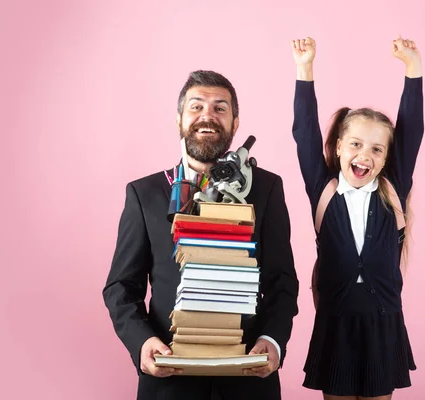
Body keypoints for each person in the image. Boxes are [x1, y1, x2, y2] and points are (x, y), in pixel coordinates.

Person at [102, 70, 299, 400]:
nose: (208, 115)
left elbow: (282, 282)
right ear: (179, 119)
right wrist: (143, 343)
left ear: (235, 124)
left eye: (220, 108)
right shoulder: (144, 193)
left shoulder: (266, 189)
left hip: (248, 377)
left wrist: (273, 341)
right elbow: (121, 287)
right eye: (196, 107)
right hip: (169, 380)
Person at [290, 36, 424, 399]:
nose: (365, 155)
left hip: (383, 323)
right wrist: (305, 70)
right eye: (356, 144)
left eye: (377, 149)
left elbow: (412, 131)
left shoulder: (392, 191)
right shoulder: (324, 190)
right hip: (337, 323)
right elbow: (304, 134)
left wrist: (413, 70)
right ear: (338, 147)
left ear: (385, 159)